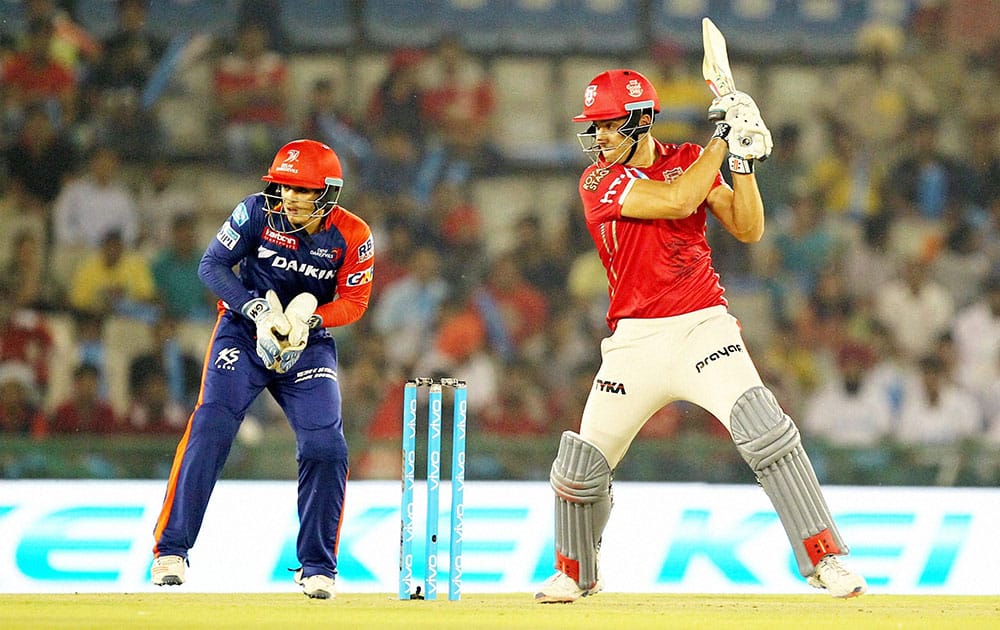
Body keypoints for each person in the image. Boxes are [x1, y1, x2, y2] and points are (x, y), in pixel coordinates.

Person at [533, 69, 867, 603]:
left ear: (642, 121)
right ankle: (576, 572)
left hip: (702, 325)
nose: (598, 138)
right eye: (593, 128)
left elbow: (748, 227)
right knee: (581, 467)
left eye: (608, 126)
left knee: (768, 433)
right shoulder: (597, 181)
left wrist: (742, 162)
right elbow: (675, 201)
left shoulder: (691, 156)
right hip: (633, 342)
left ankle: (827, 560)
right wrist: (722, 137)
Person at [150, 139, 374, 600]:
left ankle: (316, 565)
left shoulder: (353, 235)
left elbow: (354, 302)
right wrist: (255, 309)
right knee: (211, 424)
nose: (289, 197)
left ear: (327, 194)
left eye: (302, 189)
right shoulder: (255, 212)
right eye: (283, 186)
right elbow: (212, 265)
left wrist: (307, 320)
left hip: (306, 344)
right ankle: (171, 550)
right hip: (243, 331)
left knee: (326, 445)